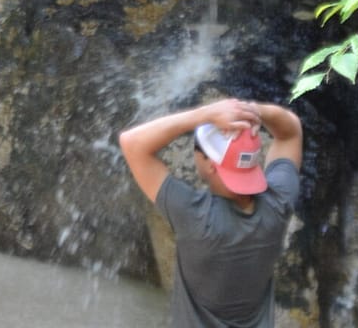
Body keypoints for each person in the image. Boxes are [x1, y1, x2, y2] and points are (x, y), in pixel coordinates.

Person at [117, 97, 304, 328]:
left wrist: (203, 114)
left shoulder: (195, 216)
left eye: (197, 147)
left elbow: (131, 142)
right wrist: (254, 111)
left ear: (210, 163)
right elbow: (290, 131)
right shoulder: (278, 202)